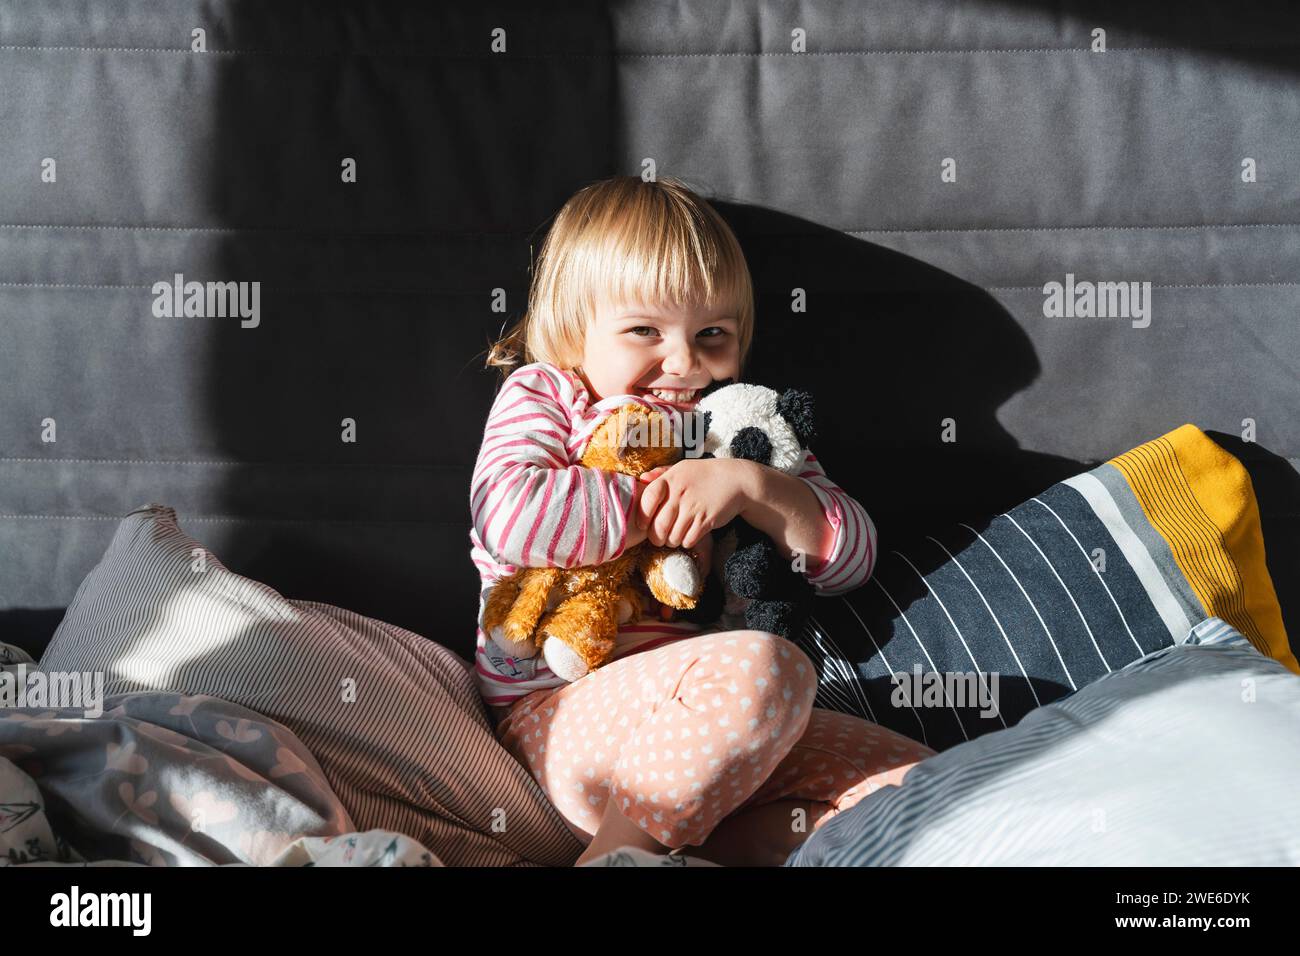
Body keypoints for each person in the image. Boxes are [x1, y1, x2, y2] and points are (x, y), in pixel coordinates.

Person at [471, 175, 934, 865]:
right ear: (574, 329)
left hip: (735, 749)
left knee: (924, 784)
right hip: (567, 716)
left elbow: (851, 559)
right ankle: (615, 858)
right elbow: (507, 511)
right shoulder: (550, 392)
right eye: (644, 331)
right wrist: (652, 502)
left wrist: (751, 486)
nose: (685, 362)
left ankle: (686, 851)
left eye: (712, 333)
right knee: (769, 670)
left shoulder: (737, 424)